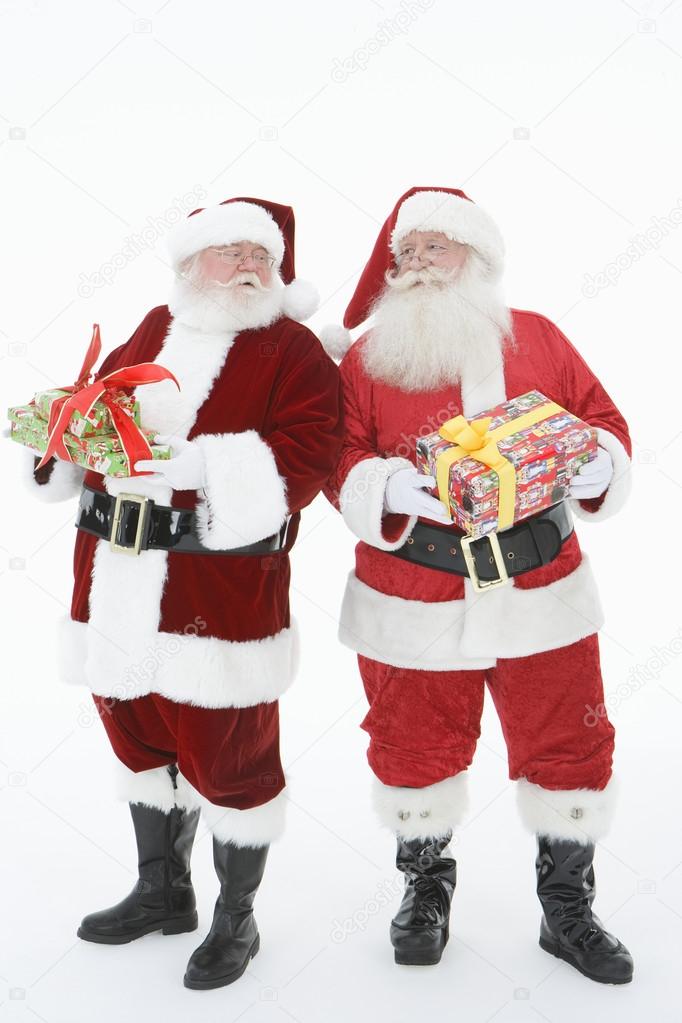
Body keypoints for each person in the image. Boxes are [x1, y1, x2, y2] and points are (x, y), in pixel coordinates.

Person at [23, 197, 343, 990]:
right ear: (186, 264)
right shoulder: (149, 325)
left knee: (231, 762)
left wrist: (200, 467)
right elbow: (100, 407)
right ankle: (164, 891)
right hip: (115, 583)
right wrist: (61, 439)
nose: (245, 265)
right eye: (226, 251)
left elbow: (309, 456)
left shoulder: (294, 350)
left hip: (218, 598)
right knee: (138, 741)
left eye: (259, 255)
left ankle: (238, 918)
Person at [322, 186, 633, 984]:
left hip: (541, 589)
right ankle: (425, 888)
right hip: (412, 594)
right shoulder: (365, 357)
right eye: (409, 251)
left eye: (438, 246)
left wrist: (601, 460)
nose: (421, 263)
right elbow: (340, 454)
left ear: (478, 257)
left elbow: (603, 418)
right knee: (412, 750)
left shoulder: (539, 337)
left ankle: (568, 907)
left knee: (570, 745)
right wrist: (384, 487)